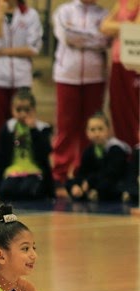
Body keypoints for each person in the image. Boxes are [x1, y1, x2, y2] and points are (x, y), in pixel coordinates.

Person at [51, 0, 110, 197]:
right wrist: (94, 36)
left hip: (95, 76)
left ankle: (85, 174)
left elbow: (106, 40)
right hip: (67, 75)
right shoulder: (64, 11)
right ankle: (60, 173)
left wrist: (81, 36)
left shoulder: (104, 14)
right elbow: (67, 36)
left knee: (91, 129)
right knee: (66, 126)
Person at [0, 0, 43, 170]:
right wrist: (0, 16)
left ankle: (22, 167)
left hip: (21, 79)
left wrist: (3, 52)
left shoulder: (31, 15)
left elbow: (33, 48)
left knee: (22, 126)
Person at [0, 88, 55, 201]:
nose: (23, 114)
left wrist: (33, 130)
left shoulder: (42, 128)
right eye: (18, 110)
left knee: (28, 190)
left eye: (27, 110)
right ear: (12, 110)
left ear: (34, 110)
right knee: (6, 192)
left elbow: (44, 153)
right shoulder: (8, 128)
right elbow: (0, 157)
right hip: (13, 172)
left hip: (35, 172)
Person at [100, 0, 140, 148]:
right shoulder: (122, 2)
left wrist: (117, 27)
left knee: (134, 108)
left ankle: (137, 149)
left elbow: (137, 30)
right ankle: (124, 148)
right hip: (118, 61)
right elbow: (104, 26)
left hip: (135, 63)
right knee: (118, 107)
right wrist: (126, 27)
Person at [67, 113, 132, 201]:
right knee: (70, 184)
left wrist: (90, 182)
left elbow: (112, 173)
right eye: (92, 130)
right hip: (94, 184)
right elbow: (82, 173)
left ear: (108, 130)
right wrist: (76, 186)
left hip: (115, 183)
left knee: (108, 185)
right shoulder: (88, 151)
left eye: (100, 129)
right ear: (87, 132)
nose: (97, 133)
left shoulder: (116, 149)